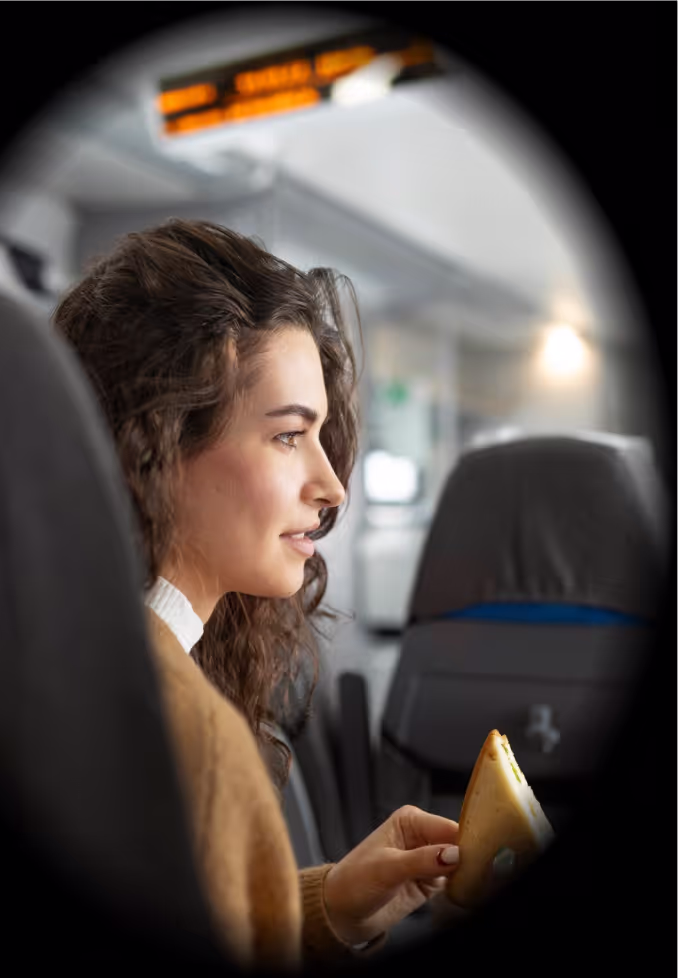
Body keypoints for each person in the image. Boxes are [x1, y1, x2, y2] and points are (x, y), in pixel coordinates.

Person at [53, 219, 460, 970]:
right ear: (159, 444)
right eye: (286, 435)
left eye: (321, 434)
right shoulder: (186, 738)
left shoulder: (59, 657)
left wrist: (326, 899)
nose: (332, 487)